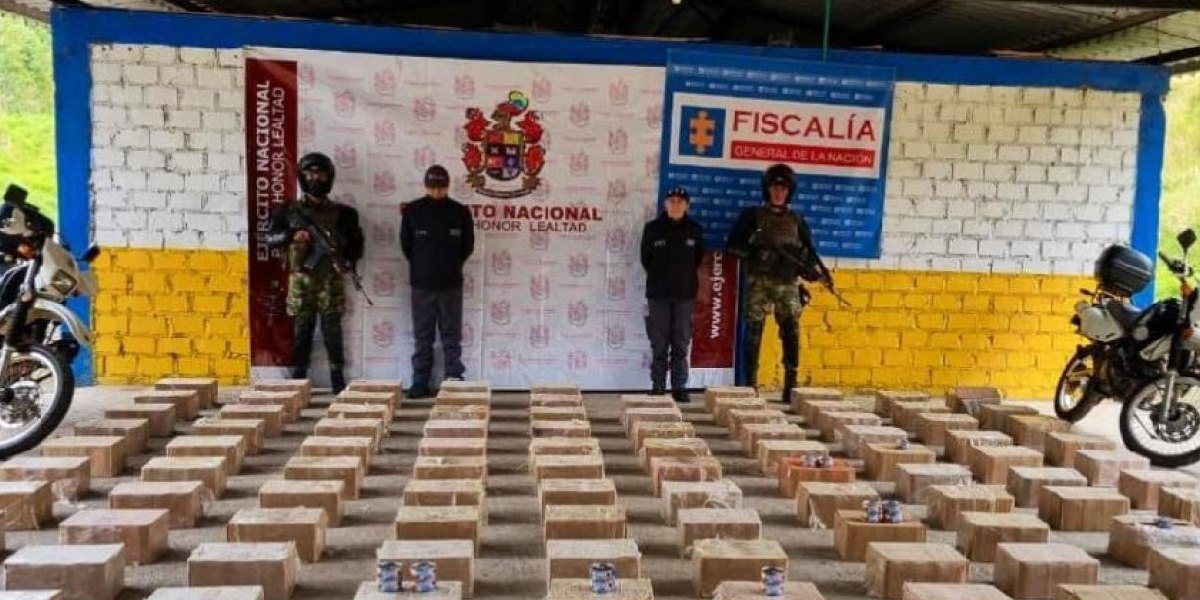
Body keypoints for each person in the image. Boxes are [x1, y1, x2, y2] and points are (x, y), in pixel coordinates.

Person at [726, 163, 828, 403]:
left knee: (791, 332)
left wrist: (811, 271)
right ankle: (750, 384)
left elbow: (809, 253)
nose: (778, 193)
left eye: (783, 188)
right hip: (758, 281)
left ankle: (790, 385)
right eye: (774, 187)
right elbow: (733, 245)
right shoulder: (752, 216)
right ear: (767, 189)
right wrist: (756, 251)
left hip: (787, 283)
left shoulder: (797, 220)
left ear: (789, 191)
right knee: (753, 333)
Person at [265, 152, 364, 394]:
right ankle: (299, 379)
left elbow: (357, 246)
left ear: (329, 177)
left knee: (332, 330)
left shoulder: (345, 214)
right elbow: (270, 238)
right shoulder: (289, 211)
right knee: (302, 330)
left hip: (331, 280)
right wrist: (291, 235)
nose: (315, 179)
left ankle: (337, 378)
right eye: (310, 174)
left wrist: (346, 259)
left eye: (321, 175)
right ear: (302, 177)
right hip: (301, 281)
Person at [400, 165, 475, 399]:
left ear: (448, 186)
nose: (436, 192)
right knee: (423, 336)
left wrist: (449, 265)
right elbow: (406, 246)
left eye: (441, 188)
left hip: (450, 284)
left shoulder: (460, 212)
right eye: (432, 187)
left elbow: (467, 246)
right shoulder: (413, 210)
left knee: (451, 335)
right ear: (425, 186)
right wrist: (424, 266)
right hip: (422, 284)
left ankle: (454, 378)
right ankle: (420, 381)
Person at [640, 186, 704, 402]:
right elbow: (646, 259)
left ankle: (679, 386)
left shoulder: (695, 229)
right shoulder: (652, 228)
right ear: (665, 204)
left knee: (681, 343)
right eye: (672, 201)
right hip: (658, 294)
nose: (676, 205)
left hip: (685, 295)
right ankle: (658, 385)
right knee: (659, 343)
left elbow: (697, 259)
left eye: (680, 202)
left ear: (687, 206)